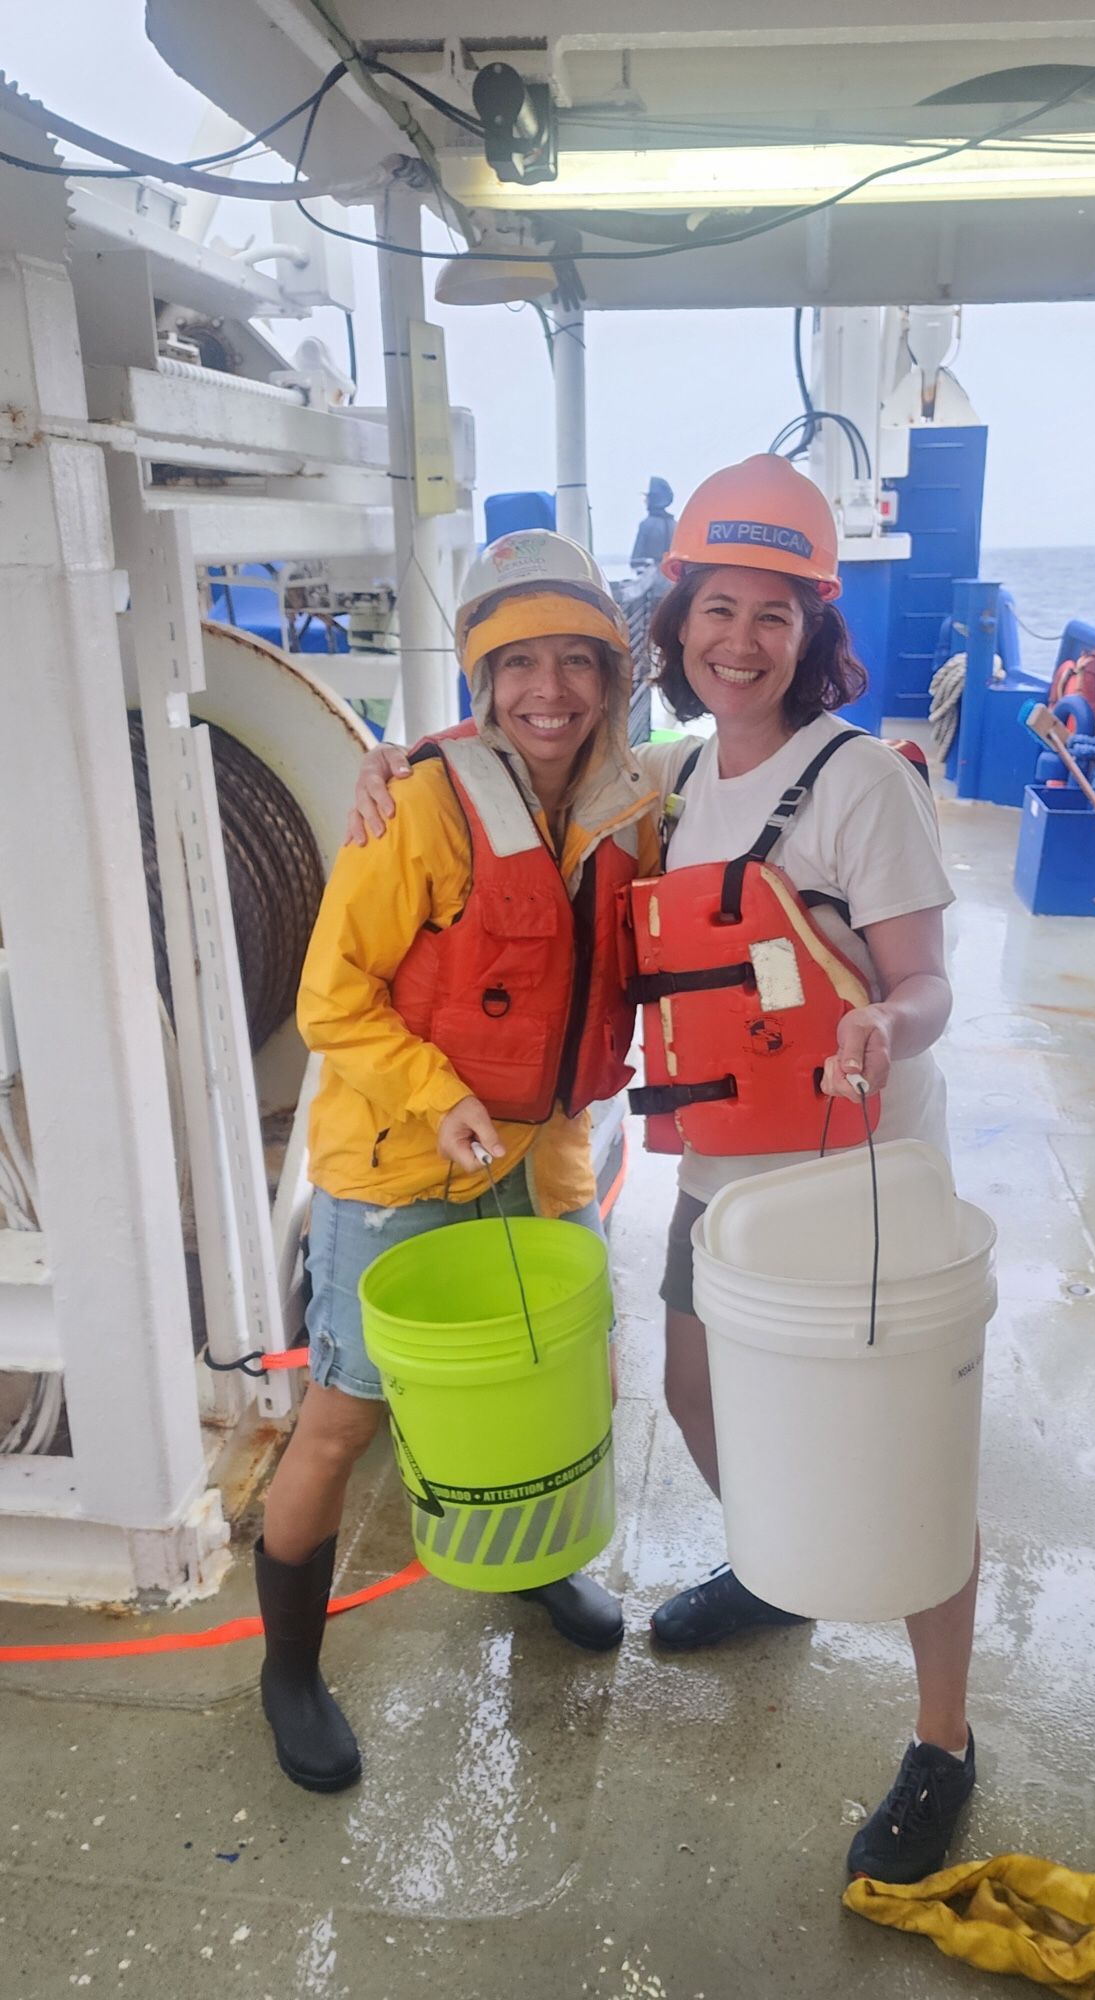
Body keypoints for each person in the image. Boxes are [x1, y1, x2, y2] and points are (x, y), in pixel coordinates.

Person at [351, 457, 977, 1887]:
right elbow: (520, 756)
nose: (738, 640)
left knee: (908, 1460)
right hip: (722, 1182)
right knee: (700, 1394)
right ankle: (773, 1571)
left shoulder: (862, 783)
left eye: (771, 614)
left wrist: (887, 1020)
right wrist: (393, 758)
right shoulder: (670, 778)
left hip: (858, 1179)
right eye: (715, 609)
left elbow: (929, 985)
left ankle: (941, 1737)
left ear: (812, 632)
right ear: (675, 620)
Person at [260, 530, 661, 1796]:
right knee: (345, 1416)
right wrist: (438, 1102)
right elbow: (332, 999)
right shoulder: (417, 804)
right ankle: (287, 1667)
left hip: (539, 1146)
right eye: (518, 664)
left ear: (611, 676)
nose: (550, 691)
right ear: (482, 681)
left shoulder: (627, 805)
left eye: (576, 664)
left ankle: (535, 1559)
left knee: (556, 1365)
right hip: (396, 1160)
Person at [630, 476, 675, 571]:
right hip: (673, 580)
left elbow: (635, 561)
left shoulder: (646, 525)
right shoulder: (676, 525)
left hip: (650, 581)